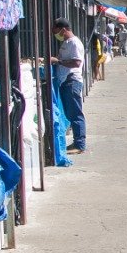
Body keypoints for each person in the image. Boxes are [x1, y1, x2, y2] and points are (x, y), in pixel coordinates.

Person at [49, 17, 86, 154]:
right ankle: (77, 142)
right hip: (66, 81)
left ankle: (80, 144)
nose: (55, 35)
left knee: (75, 113)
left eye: (56, 31)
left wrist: (58, 61)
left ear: (63, 29)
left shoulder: (74, 43)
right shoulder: (66, 43)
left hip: (72, 81)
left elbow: (76, 63)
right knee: (71, 113)